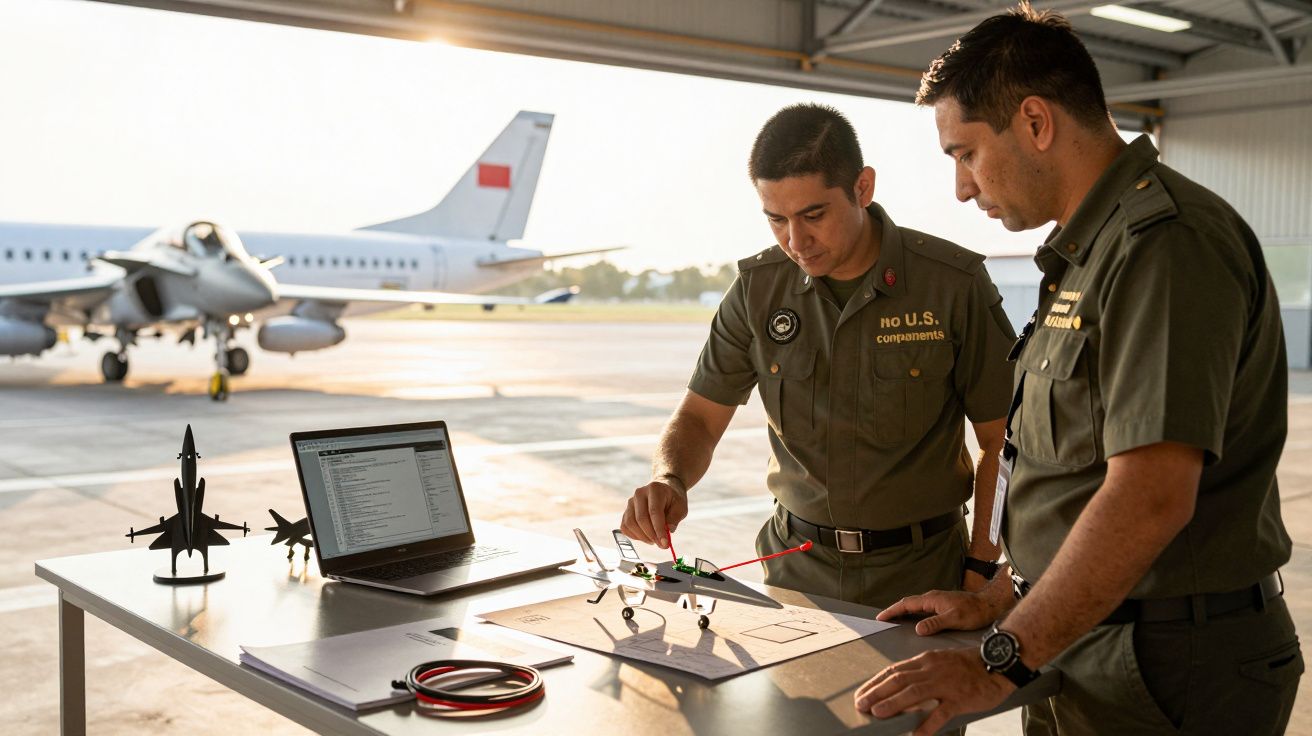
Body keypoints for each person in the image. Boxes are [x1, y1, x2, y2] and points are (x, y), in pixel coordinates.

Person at [853, 5, 1302, 735]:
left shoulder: (1164, 247)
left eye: (965, 153)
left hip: (1171, 665)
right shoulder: (1088, 255)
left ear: (1035, 122)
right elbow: (1070, 479)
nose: (963, 188)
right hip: (1083, 640)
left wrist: (1000, 660)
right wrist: (1002, 596)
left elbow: (1151, 496)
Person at [618, 103, 1017, 608]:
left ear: (862, 188)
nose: (796, 240)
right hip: (793, 571)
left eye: (813, 215)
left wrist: (981, 570)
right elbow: (699, 416)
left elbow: (1000, 442)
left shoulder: (950, 285)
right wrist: (667, 478)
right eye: (776, 220)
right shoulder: (757, 291)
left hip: (923, 572)